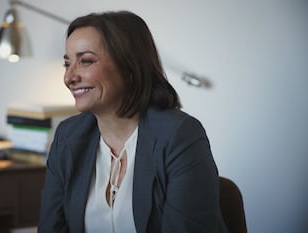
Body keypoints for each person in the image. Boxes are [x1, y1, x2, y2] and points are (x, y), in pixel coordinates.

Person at [38, 11, 228, 233]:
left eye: (86, 61)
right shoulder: (67, 137)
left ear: (129, 67)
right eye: (67, 64)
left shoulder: (179, 135)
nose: (69, 77)